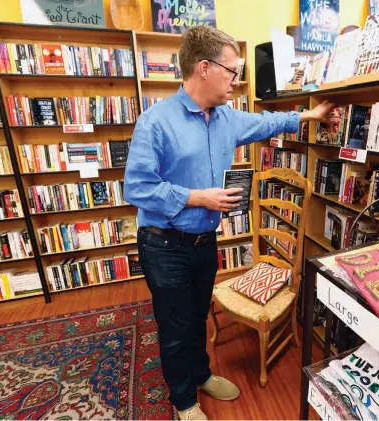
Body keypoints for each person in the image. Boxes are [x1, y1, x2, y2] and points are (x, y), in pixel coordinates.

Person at [124, 26, 334, 420]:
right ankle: (184, 400)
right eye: (231, 72)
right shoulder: (155, 122)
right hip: (164, 245)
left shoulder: (227, 118)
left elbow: (267, 123)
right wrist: (197, 196)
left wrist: (308, 113)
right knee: (174, 327)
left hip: (206, 242)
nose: (236, 82)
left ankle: (201, 375)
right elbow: (136, 187)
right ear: (204, 68)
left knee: (199, 313)